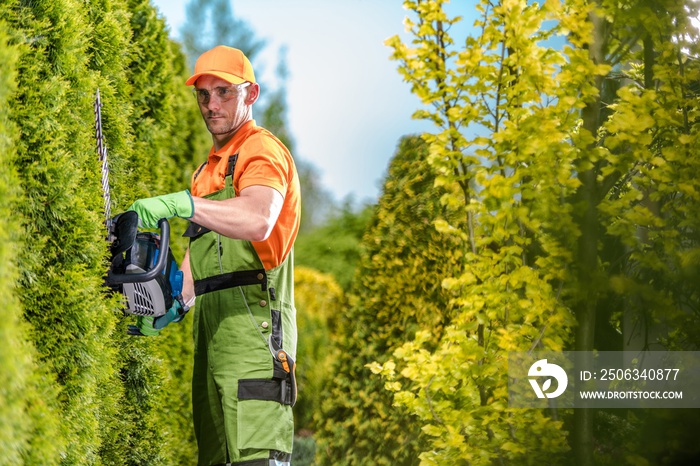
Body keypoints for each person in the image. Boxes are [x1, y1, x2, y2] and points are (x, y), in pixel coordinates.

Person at [128, 45, 301, 466]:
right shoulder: (209, 170)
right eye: (203, 95)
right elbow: (202, 254)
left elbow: (258, 219)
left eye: (224, 91)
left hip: (255, 331)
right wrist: (173, 302)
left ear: (252, 94)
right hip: (212, 333)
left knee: (257, 455)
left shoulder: (262, 151)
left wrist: (183, 204)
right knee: (217, 455)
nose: (212, 104)